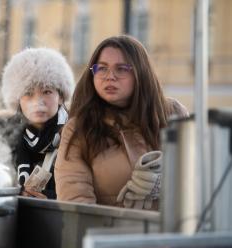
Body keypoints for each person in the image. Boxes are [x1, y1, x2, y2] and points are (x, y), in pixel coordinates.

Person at [55, 35, 189, 210]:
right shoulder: (79, 128)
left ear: (141, 72)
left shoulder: (172, 114)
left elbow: (199, 174)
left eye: (122, 69)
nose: (110, 77)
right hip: (110, 234)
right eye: (102, 68)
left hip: (170, 233)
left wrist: (167, 179)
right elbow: (75, 202)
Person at [0, 47, 74, 199]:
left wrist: (50, 199)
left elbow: (81, 192)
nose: (38, 102)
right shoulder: (3, 133)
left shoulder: (76, 135)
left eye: (47, 91)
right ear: (17, 99)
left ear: (60, 96)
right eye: (28, 93)